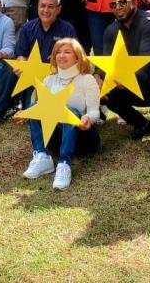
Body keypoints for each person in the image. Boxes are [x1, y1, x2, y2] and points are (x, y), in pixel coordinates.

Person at [13, 38, 101, 190]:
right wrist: (26, 113)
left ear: (77, 56)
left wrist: (87, 118)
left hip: (84, 137)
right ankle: (42, 156)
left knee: (69, 111)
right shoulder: (49, 80)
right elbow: (42, 109)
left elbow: (94, 112)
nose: (61, 55)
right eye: (58, 52)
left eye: (67, 52)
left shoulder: (87, 79)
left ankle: (64, 163)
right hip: (56, 137)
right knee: (35, 107)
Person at [100, 0, 150, 155]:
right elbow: (105, 62)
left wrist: (124, 78)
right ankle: (142, 125)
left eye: (122, 2)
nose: (118, 7)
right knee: (103, 90)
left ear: (134, 2)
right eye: (113, 4)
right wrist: (98, 77)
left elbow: (145, 62)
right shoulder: (111, 30)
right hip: (132, 83)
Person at [12, 0, 78, 106]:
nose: (46, 10)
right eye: (42, 6)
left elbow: (75, 59)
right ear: (37, 7)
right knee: (31, 107)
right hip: (33, 77)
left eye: (51, 7)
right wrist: (22, 64)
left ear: (58, 9)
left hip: (59, 78)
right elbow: (20, 54)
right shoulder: (27, 28)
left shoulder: (68, 30)